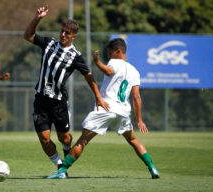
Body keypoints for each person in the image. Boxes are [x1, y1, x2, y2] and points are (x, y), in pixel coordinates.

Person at [47, 38, 160, 179]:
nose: (109, 55)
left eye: (110, 52)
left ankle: (62, 171)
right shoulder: (135, 71)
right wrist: (139, 120)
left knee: (83, 140)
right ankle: (152, 168)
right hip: (123, 112)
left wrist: (97, 62)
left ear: (118, 51)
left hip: (107, 108)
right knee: (133, 140)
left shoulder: (114, 62)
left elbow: (107, 71)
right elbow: (136, 98)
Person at [23, 6, 109, 169]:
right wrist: (37, 18)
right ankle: (60, 166)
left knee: (65, 139)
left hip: (59, 103)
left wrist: (98, 97)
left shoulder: (75, 56)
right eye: (62, 31)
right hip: (41, 100)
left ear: (73, 36)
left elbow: (89, 77)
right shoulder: (48, 43)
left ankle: (66, 149)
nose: (63, 34)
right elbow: (27, 36)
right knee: (45, 139)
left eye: (67, 33)